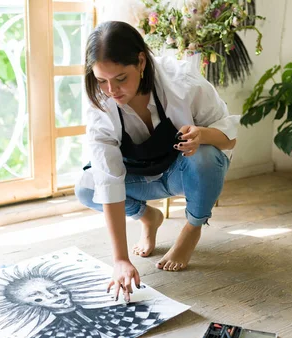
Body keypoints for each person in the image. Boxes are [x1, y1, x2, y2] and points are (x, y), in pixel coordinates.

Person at [75, 21, 238, 303]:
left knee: (206, 155)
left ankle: (192, 229)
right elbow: (109, 179)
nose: (111, 90)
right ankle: (148, 217)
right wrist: (120, 260)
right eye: (102, 80)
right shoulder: (100, 104)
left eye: (121, 78)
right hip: (140, 181)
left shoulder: (184, 83)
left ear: (140, 61)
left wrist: (202, 134)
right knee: (86, 188)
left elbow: (229, 140)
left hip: (182, 173)